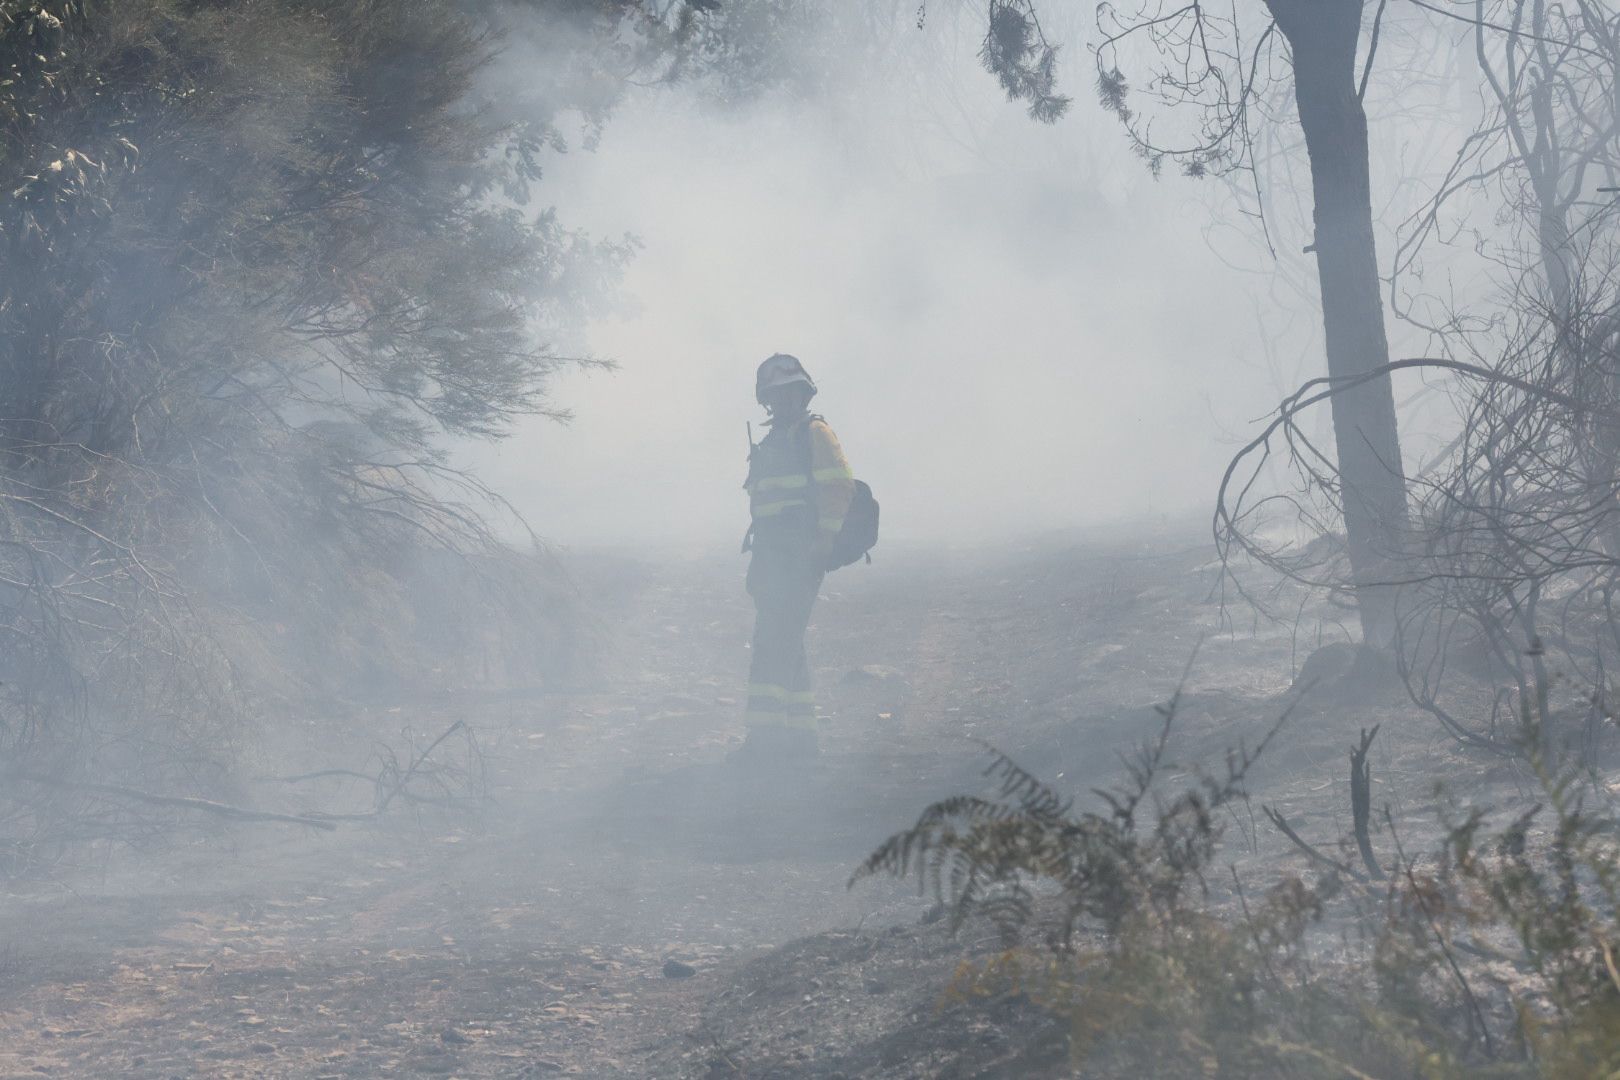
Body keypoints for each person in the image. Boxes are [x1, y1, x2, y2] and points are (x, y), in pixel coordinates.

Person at [737, 353, 855, 761]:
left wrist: (822, 545)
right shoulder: (775, 439)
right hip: (772, 559)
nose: (784, 402)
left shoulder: (815, 433)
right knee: (787, 644)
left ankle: (764, 746)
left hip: (800, 558)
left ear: (804, 394)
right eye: (775, 396)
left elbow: (839, 488)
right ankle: (801, 741)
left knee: (772, 646)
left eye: (790, 393)